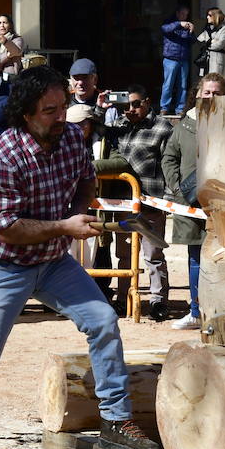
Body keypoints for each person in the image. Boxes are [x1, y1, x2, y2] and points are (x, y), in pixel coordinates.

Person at [0, 65, 158, 449]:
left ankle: (115, 420)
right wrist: (65, 226)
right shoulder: (2, 155)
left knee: (102, 321)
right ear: (26, 113)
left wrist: (79, 212)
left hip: (53, 261)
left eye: (63, 106)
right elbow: (7, 228)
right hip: (2, 265)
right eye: (50, 110)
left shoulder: (71, 142)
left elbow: (85, 182)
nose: (60, 116)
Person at [93, 85, 172, 321]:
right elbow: (94, 128)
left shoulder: (162, 127)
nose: (130, 109)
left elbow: (168, 163)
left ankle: (159, 301)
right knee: (125, 254)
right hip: (123, 202)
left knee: (153, 254)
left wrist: (166, 201)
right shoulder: (118, 126)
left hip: (150, 200)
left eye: (136, 104)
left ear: (147, 102)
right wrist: (100, 107)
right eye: (125, 105)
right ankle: (123, 299)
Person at [164, 74, 225, 328]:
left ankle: (221, 313)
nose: (211, 97)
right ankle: (196, 311)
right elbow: (169, 158)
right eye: (207, 92)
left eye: (216, 93)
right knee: (195, 258)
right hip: (189, 204)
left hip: (223, 205)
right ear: (198, 94)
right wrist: (178, 188)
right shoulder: (183, 126)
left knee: (223, 258)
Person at [159, 7, 195, 114]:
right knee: (168, 84)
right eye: (183, 13)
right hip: (170, 59)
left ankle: (180, 109)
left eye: (186, 14)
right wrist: (179, 24)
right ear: (177, 13)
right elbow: (165, 29)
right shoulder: (169, 22)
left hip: (183, 59)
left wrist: (192, 31)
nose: (185, 16)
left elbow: (192, 41)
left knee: (183, 86)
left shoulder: (187, 26)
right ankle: (164, 108)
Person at [194, 7, 225, 76]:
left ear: (215, 16)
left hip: (216, 60)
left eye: (209, 15)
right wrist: (212, 41)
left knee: (215, 80)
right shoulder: (208, 28)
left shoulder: (223, 28)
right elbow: (199, 41)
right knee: (205, 81)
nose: (207, 17)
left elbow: (219, 45)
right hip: (206, 59)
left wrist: (208, 44)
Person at [0, 14, 25, 80]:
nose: (2, 25)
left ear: (10, 25)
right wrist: (7, 57)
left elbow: (16, 52)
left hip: (12, 75)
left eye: (5, 22)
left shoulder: (17, 39)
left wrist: (5, 41)